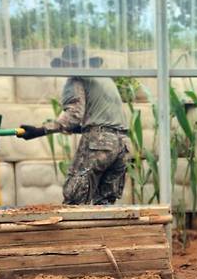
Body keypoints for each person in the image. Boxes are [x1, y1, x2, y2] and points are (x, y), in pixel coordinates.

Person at [18, 45, 129, 205]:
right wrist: (78, 129)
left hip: (100, 143)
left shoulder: (77, 78)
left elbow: (73, 115)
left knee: (74, 196)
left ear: (68, 64)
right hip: (122, 145)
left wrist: (39, 131)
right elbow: (104, 118)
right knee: (105, 202)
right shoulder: (104, 78)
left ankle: (71, 231)